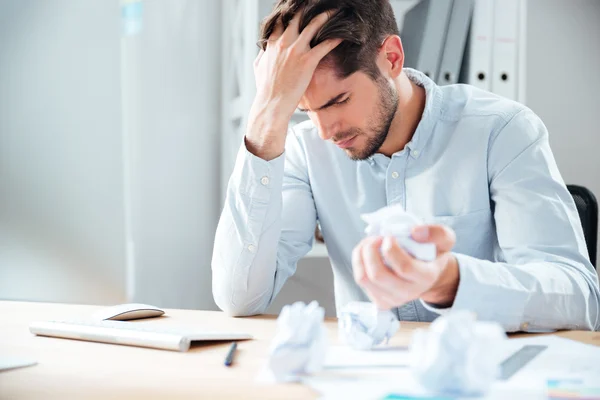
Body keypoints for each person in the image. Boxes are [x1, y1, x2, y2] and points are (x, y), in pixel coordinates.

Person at [212, 0, 600, 331]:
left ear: (391, 58)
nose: (325, 131)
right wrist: (266, 119)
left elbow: (579, 298)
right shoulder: (304, 149)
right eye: (304, 110)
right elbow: (239, 297)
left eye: (337, 101)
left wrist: (450, 281)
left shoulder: (502, 130)